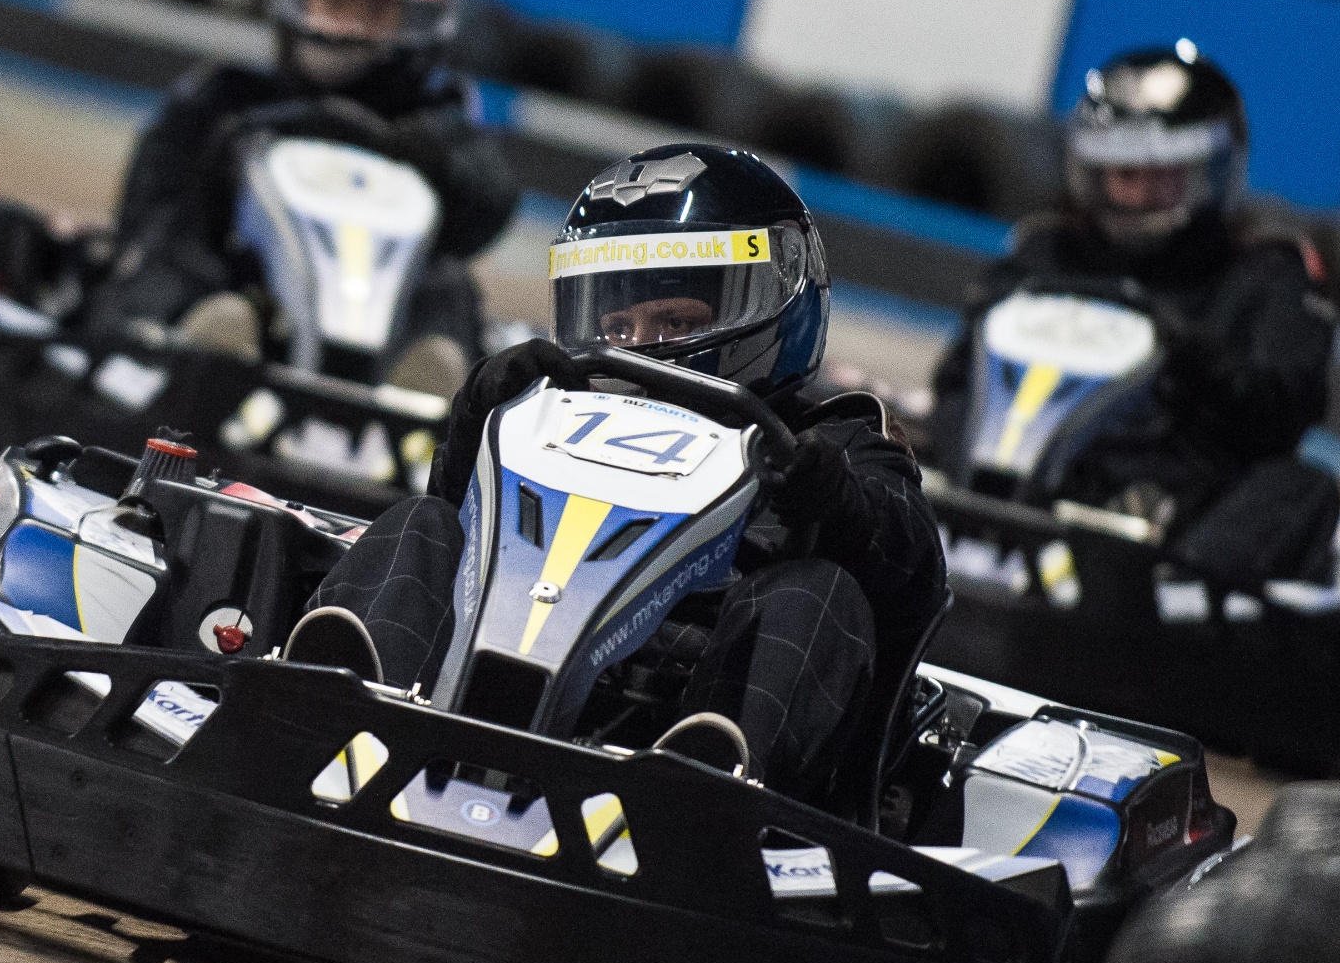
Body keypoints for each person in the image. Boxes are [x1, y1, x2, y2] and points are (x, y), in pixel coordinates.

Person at [285, 144, 947, 809]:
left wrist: (834, 499)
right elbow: (461, 516)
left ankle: (707, 786)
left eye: (676, 321)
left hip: (686, 700)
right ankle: (338, 706)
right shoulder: (554, 413)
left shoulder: (831, 441)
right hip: (516, 632)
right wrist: (477, 416)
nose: (640, 348)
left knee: (817, 591)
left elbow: (913, 571)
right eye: (618, 327)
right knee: (422, 523)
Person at [928, 42, 1340, 586]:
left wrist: (1193, 356)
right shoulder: (1047, 252)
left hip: (1164, 508)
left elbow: (1284, 413)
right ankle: (961, 518)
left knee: (1304, 489)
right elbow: (957, 378)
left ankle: (1170, 596)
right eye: (1125, 174)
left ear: (1210, 174)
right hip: (1022, 472)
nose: (1139, 195)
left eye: (1161, 177)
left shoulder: (1262, 275)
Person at [84, 0, 519, 397]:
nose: (343, 27)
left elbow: (491, 201)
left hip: (385, 322)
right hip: (250, 296)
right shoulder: (226, 99)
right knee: (177, 244)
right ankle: (182, 347)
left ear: (417, 25)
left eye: (370, 13)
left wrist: (424, 154)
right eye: (330, 5)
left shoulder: (437, 121)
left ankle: (433, 390)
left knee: (447, 285)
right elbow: (146, 212)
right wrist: (224, 167)